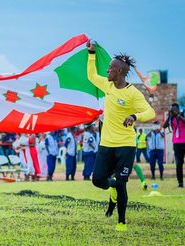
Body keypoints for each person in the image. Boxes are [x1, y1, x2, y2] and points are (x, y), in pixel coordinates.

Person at [87, 40, 155, 231]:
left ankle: (121, 222)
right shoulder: (107, 86)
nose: (107, 71)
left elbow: (150, 113)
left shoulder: (133, 93)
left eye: (110, 68)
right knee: (98, 180)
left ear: (119, 72)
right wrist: (91, 54)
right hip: (106, 144)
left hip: (126, 145)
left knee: (122, 183)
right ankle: (113, 185)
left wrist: (135, 116)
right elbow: (91, 75)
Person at [163, 103, 185, 187]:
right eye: (172, 109)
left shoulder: (182, 114)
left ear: (178, 109)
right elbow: (164, 126)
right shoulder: (171, 118)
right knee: (178, 163)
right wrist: (170, 116)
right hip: (177, 143)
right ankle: (180, 183)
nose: (174, 110)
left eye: (175, 109)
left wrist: (178, 115)